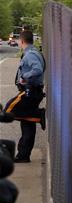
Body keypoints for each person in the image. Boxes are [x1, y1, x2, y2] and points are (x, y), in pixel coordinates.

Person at [3, 30, 45, 163]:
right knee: (27, 122)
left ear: (21, 41)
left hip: (30, 92)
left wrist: (24, 77)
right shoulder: (34, 53)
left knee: (8, 109)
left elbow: (37, 69)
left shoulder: (30, 55)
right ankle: (23, 155)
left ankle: (38, 114)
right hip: (33, 91)